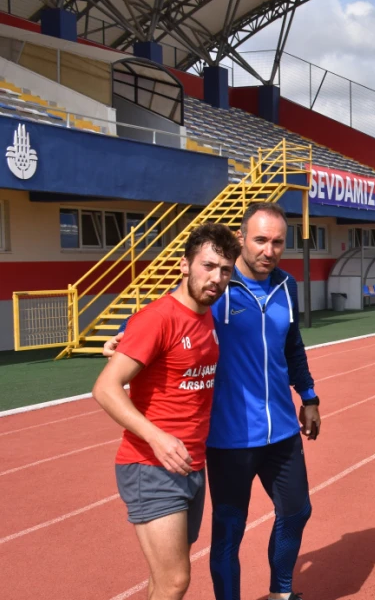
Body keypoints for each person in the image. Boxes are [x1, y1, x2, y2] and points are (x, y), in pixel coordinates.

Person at [105, 204, 322, 600]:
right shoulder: (218, 284)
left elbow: (293, 346)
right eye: (260, 240)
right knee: (229, 530)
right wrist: (121, 335)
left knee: (297, 511)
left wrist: (308, 396)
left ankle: (282, 592)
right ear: (242, 239)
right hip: (228, 435)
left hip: (282, 429)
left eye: (277, 242)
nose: (268, 251)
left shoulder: (286, 286)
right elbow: (166, 312)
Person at [92, 224, 240, 600]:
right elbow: (105, 389)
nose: (216, 278)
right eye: (207, 266)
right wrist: (157, 437)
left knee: (163, 581)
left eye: (225, 270)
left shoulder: (206, 315)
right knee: (175, 581)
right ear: (183, 265)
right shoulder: (158, 318)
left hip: (191, 464)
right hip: (151, 465)